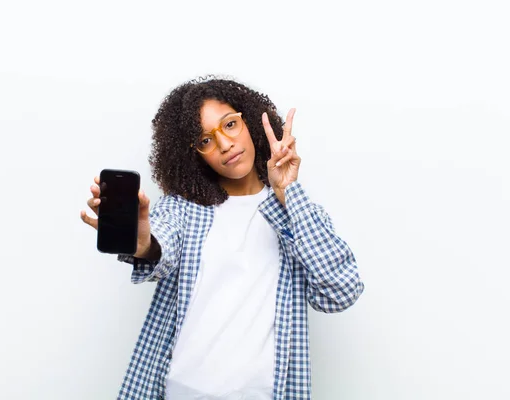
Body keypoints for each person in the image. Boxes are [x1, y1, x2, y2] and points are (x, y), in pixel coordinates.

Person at [80, 76, 365, 400]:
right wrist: (141, 241)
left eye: (230, 124)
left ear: (251, 121)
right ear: (193, 154)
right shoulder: (183, 209)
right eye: (205, 141)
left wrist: (288, 193)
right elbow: (160, 246)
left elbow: (341, 291)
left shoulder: (296, 214)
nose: (225, 144)